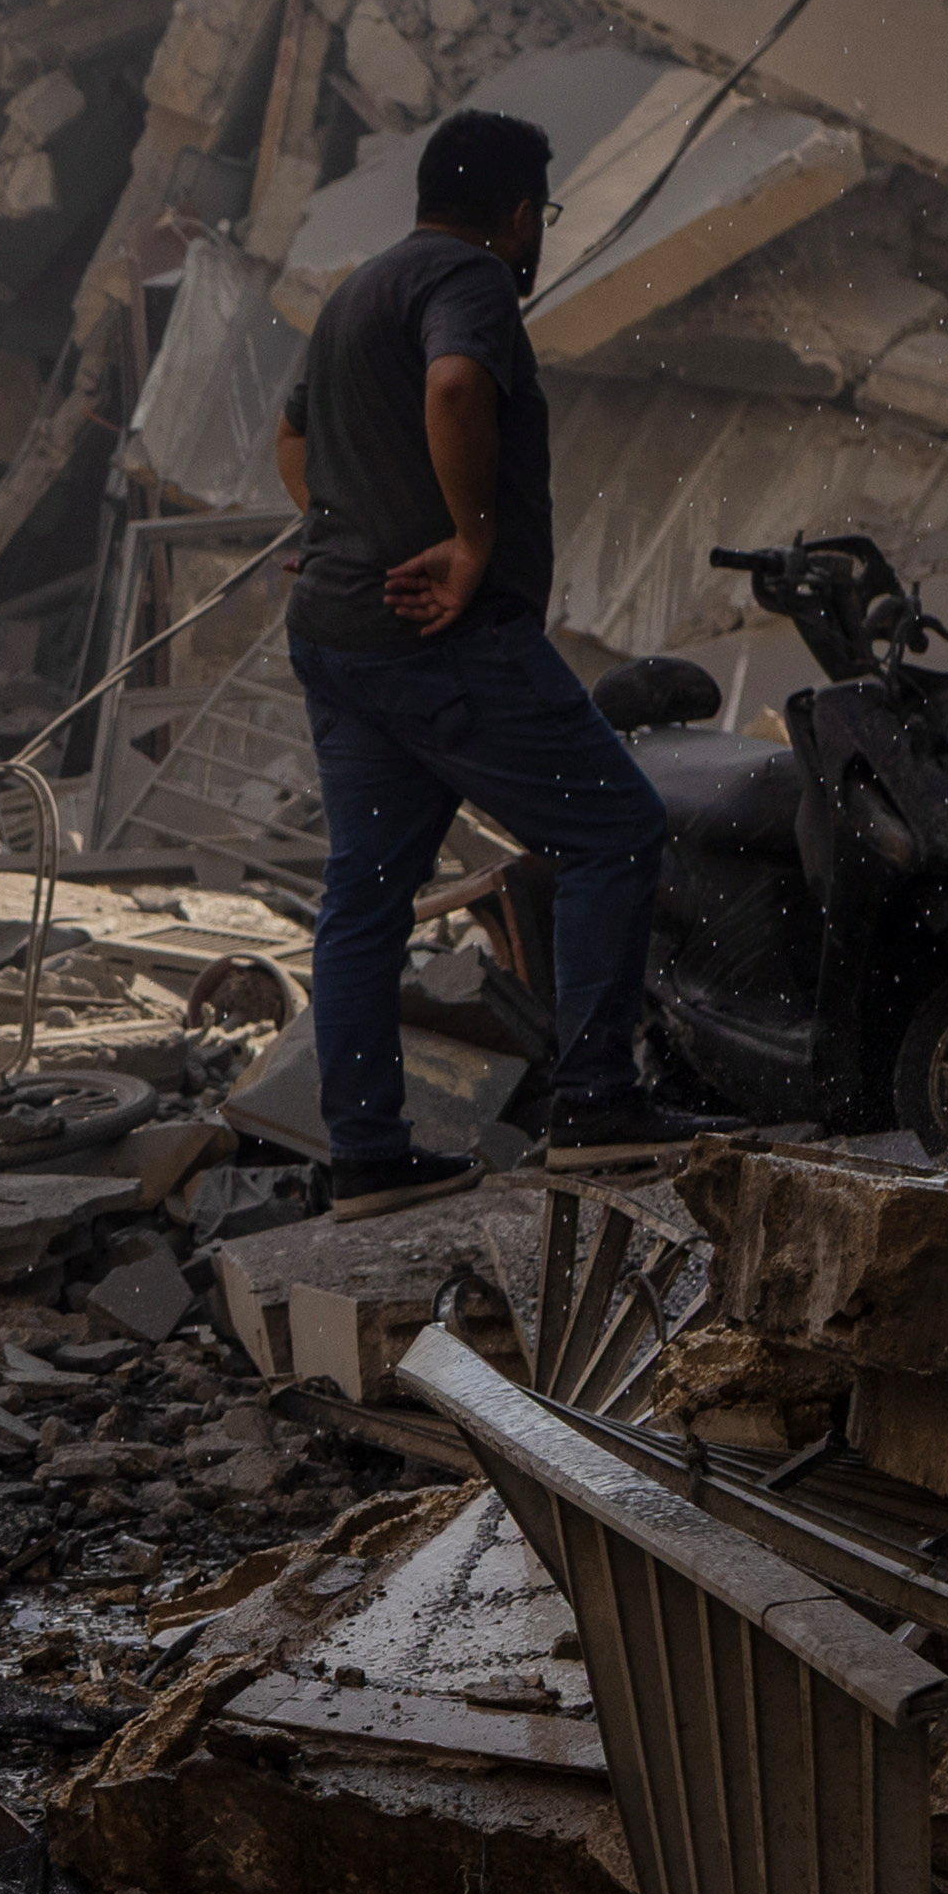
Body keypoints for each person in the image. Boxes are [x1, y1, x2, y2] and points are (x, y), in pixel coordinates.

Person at [273, 106, 699, 1210]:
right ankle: (597, 1103)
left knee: (362, 899)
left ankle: (364, 1153)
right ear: (514, 215)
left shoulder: (352, 292)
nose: (533, 238)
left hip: (338, 634)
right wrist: (466, 542)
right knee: (613, 829)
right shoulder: (468, 282)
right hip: (441, 642)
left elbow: (292, 438)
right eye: (537, 217)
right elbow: (455, 385)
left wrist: (342, 531)